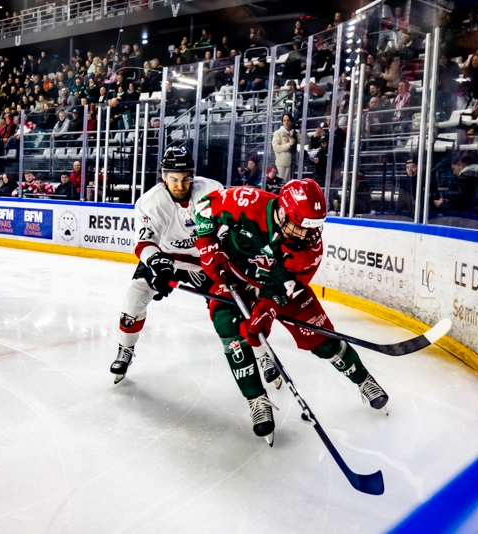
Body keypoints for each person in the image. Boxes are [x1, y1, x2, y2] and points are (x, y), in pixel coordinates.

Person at [194, 179, 389, 445]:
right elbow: (205, 207)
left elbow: (282, 284)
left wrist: (266, 308)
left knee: (321, 340)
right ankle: (257, 400)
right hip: (236, 277)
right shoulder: (246, 202)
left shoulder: (310, 249)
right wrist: (208, 247)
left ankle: (363, 380)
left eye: (313, 228)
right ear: (283, 212)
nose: (306, 236)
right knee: (227, 326)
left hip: (277, 286)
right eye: (299, 228)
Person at [110, 147, 223, 384]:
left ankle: (259, 355)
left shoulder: (212, 191)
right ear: (163, 176)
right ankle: (125, 349)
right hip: (165, 256)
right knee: (135, 295)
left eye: (185, 179)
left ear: (192, 175)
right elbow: (144, 244)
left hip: (203, 259)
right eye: (173, 179)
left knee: (229, 307)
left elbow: (227, 228)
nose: (180, 185)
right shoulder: (150, 202)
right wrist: (159, 266)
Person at [272, 114, 298, 182]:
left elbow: (305, 141)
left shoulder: (294, 132)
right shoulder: (277, 133)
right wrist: (289, 144)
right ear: (282, 122)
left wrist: (300, 131)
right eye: (284, 120)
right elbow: (276, 148)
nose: (286, 122)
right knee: (282, 185)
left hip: (293, 163)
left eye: (288, 120)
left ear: (291, 122)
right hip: (282, 165)